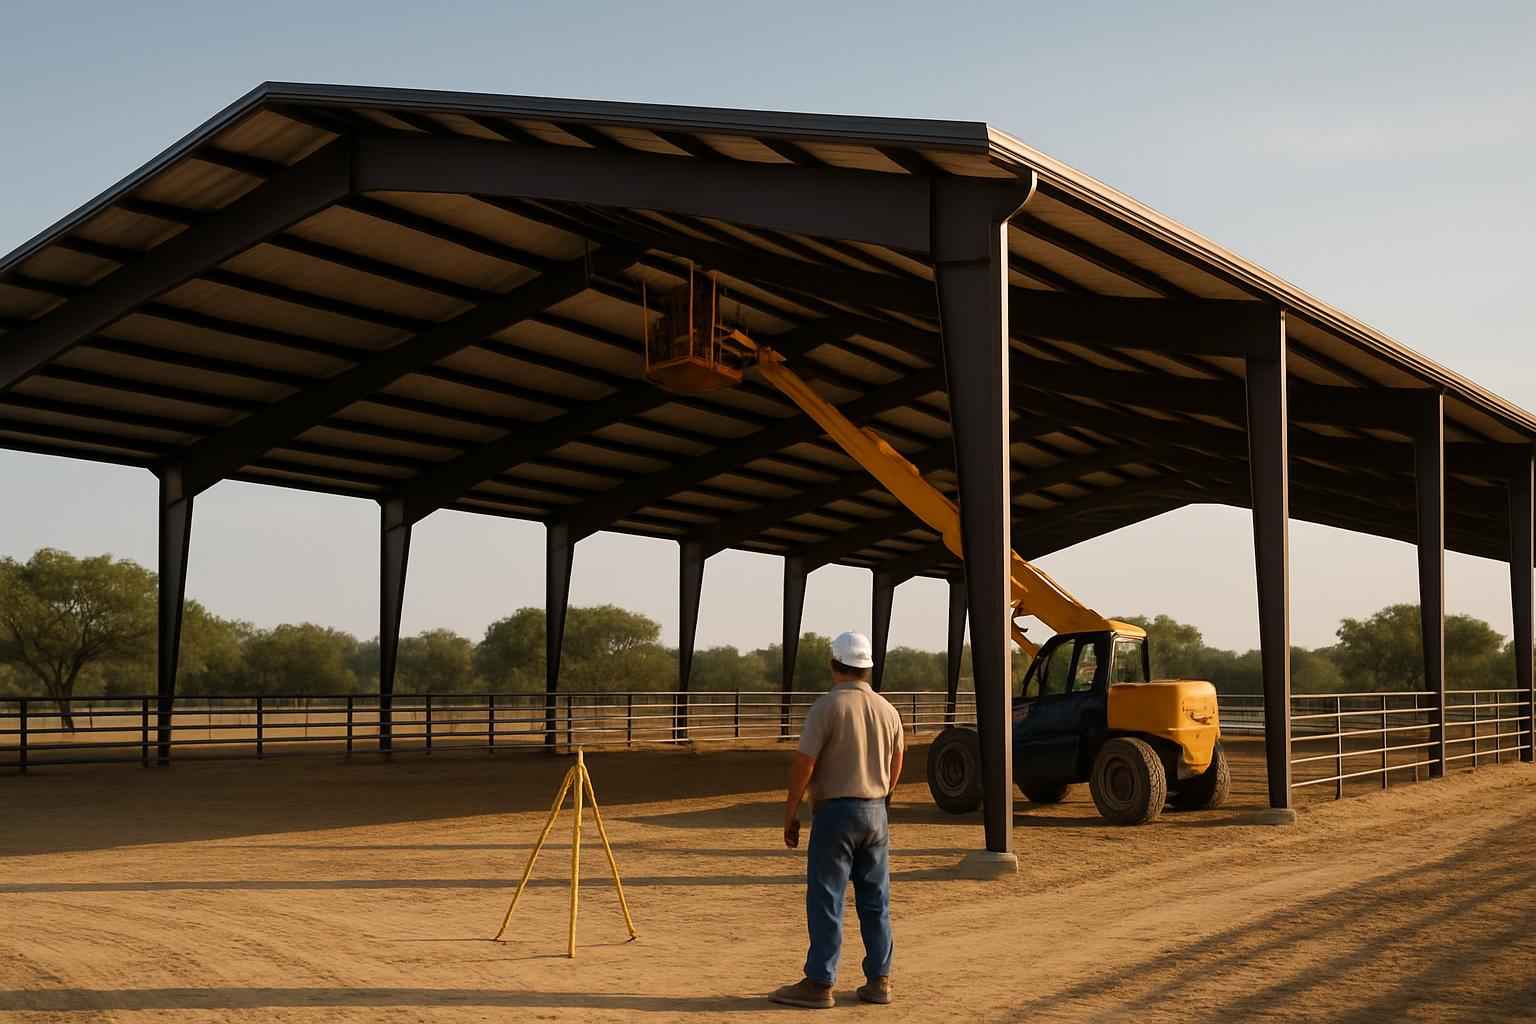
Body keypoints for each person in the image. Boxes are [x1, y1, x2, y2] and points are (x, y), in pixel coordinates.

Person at [771, 630, 905, 1009]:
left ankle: (820, 982)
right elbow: (898, 759)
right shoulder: (888, 709)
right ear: (867, 668)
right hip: (875, 811)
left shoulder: (826, 707)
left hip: (835, 812)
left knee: (828, 897)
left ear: (834, 665)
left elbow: (805, 762)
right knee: (875, 900)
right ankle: (879, 980)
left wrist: (791, 809)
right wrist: (882, 794)